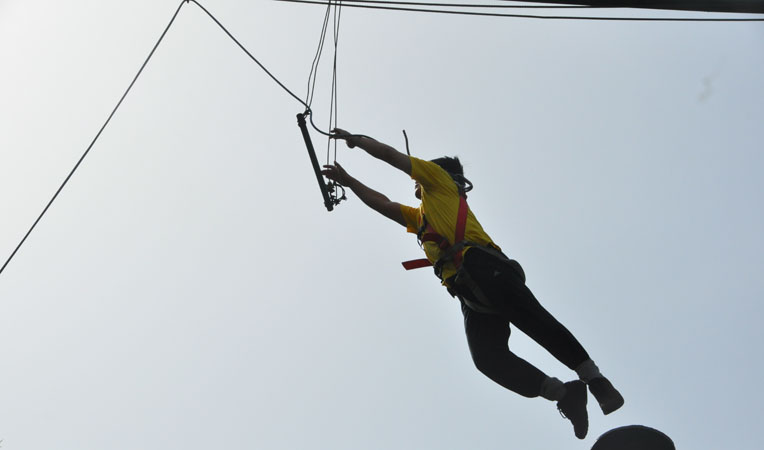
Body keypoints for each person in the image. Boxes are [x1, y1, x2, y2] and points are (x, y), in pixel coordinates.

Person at [321, 129, 624, 440]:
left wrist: (357, 141)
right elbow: (383, 203)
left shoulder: (438, 179)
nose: (414, 181)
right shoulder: (421, 217)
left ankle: (596, 381)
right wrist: (349, 181)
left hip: (485, 267)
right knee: (487, 358)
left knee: (535, 321)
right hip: (468, 291)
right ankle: (564, 394)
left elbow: (391, 156)